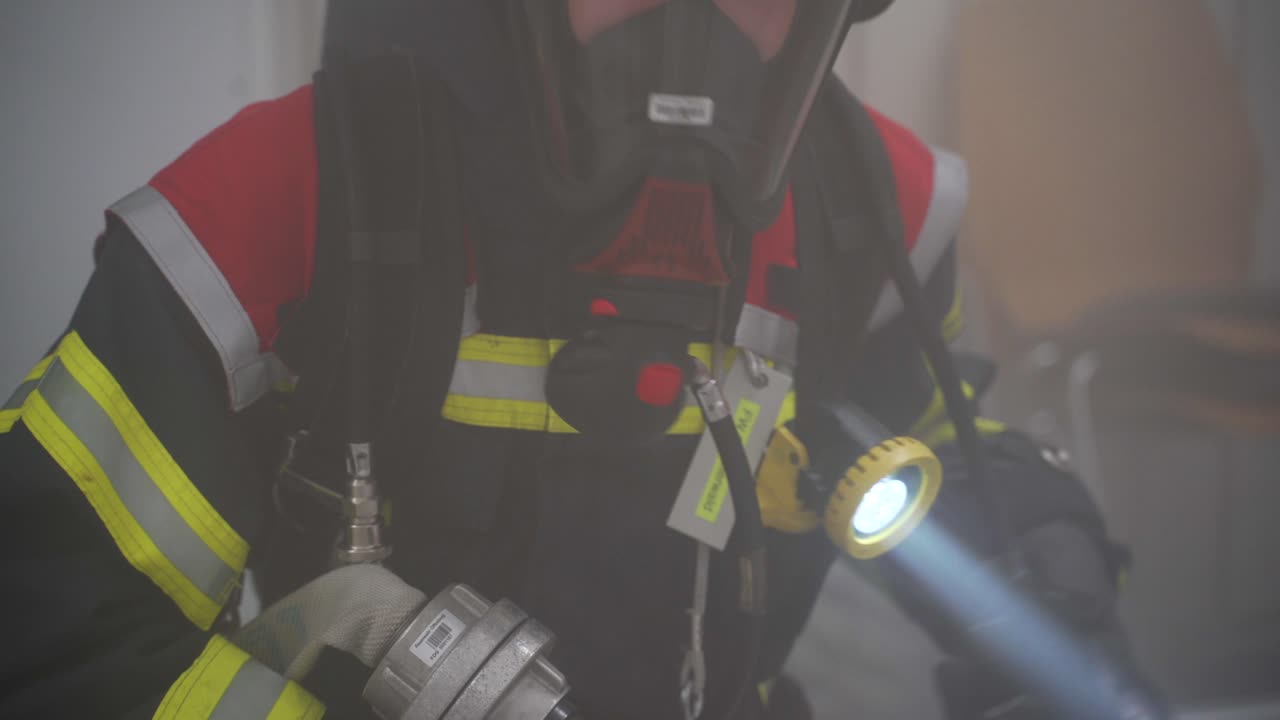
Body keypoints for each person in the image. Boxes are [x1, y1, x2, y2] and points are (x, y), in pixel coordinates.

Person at [0, 1, 1160, 718]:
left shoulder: (873, 213)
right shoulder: (276, 204)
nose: (692, 20)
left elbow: (910, 445)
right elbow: (56, 640)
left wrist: (1028, 545)